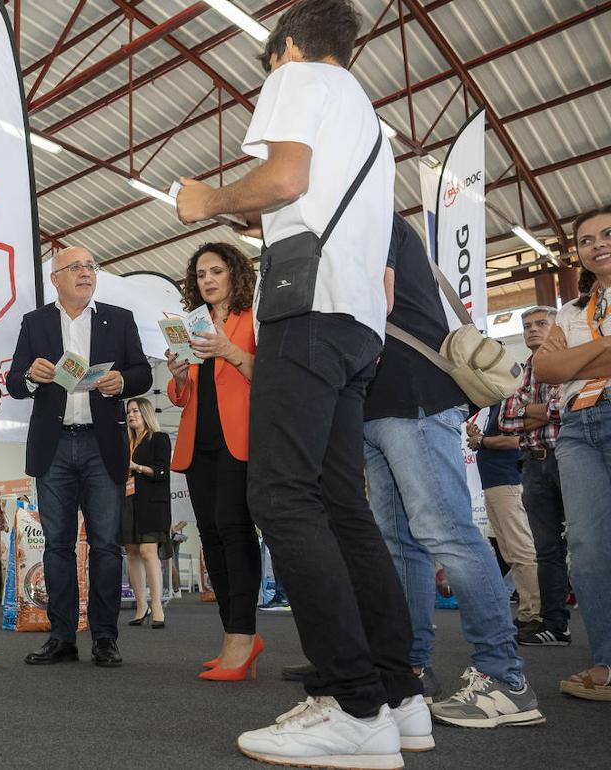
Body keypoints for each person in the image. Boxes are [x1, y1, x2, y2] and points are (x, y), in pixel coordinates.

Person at [174, 2, 424, 764]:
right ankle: (398, 695)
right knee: (342, 504)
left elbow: (284, 179)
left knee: (279, 495)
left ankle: (353, 705)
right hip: (354, 322)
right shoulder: (368, 120)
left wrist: (209, 201)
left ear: (285, 45)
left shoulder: (298, 75)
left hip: (306, 311)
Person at [361, 213, 542, 726]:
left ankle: (505, 678)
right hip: (374, 407)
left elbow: (378, 300)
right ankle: (412, 668)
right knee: (401, 542)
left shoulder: (373, 218)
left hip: (416, 396)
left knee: (449, 536)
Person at [6, 246, 151, 668]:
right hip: (53, 448)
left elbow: (142, 371)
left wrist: (122, 380)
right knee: (57, 546)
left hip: (101, 445)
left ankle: (105, 638)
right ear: (55, 278)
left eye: (91, 266)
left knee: (107, 546)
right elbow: (15, 382)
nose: (86, 273)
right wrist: (31, 377)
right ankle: (62, 637)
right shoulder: (34, 323)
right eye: (76, 267)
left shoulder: (118, 319)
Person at [164, 242, 261, 681]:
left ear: (234, 275)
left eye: (216, 271)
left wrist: (228, 350)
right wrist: (180, 376)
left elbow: (266, 374)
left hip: (238, 441)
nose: (207, 279)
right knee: (212, 537)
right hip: (197, 443)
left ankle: (244, 635)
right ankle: (232, 636)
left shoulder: (251, 319)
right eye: (201, 273)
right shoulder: (193, 325)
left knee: (234, 530)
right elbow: (183, 397)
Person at [535, 205, 611, 702]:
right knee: (586, 547)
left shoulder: (569, 324)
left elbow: (562, 362)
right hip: (577, 430)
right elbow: (546, 371)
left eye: (607, 234)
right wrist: (602, 348)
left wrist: (572, 358)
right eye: (586, 240)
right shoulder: (566, 311)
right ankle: (605, 660)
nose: (597, 244)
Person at [499, 306, 571, 647]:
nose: (531, 330)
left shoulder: (570, 360)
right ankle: (557, 625)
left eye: (541, 323)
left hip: (569, 458)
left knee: (591, 544)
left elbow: (567, 406)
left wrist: (530, 412)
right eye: (526, 325)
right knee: (546, 550)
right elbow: (507, 420)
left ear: (557, 327)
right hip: (533, 463)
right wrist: (544, 412)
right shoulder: (521, 370)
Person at [468, 402, 542, 631]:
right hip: (496, 483)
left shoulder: (512, 400)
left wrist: (482, 441)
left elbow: (517, 441)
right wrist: (481, 438)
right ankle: (528, 613)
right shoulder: (496, 405)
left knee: (520, 551)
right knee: (512, 552)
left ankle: (534, 614)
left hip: (507, 482)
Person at [122, 398, 171, 629]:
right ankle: (142, 605)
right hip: (128, 501)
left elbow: (162, 471)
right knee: (132, 553)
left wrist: (137, 467)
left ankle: (157, 605)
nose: (131, 415)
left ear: (146, 413)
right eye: (129, 411)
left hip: (151, 503)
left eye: (136, 411)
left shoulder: (158, 438)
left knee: (148, 551)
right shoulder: (125, 441)